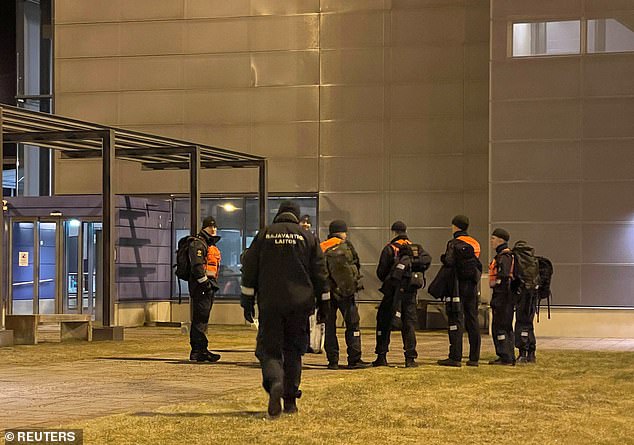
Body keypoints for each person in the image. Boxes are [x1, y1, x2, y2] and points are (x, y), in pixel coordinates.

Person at [241, 201, 329, 418]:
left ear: (279, 215)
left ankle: (275, 382)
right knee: (293, 351)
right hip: (300, 304)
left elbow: (249, 268)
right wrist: (324, 304)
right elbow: (320, 273)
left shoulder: (264, 235)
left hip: (270, 304)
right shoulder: (308, 237)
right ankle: (290, 401)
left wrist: (247, 301)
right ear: (297, 217)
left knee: (269, 350)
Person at [374, 221, 427, 368]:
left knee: (384, 322)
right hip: (410, 292)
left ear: (393, 232)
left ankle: (381, 356)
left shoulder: (390, 248)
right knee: (409, 323)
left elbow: (381, 272)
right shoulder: (416, 249)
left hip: (393, 291)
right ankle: (410, 358)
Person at [320, 219, 369, 370]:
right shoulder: (346, 245)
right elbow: (356, 264)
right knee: (352, 324)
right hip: (346, 293)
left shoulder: (321, 247)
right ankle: (354, 359)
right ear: (342, 232)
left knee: (329, 327)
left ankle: (332, 361)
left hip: (327, 293)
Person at [437, 215, 482, 367]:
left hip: (457, 286)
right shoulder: (475, 243)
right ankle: (474, 358)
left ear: (455, 226)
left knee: (456, 319)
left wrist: (443, 258)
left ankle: (455, 357)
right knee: (472, 320)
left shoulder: (453, 243)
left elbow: (449, 262)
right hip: (472, 286)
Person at [188, 216, 222, 362]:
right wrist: (205, 284)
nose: (213, 229)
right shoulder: (199, 243)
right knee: (200, 319)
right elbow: (197, 266)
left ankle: (200, 349)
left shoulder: (207, 243)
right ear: (204, 228)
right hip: (202, 287)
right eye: (210, 227)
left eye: (215, 227)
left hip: (207, 286)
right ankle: (198, 350)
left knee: (202, 318)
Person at [488, 228, 515, 366]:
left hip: (502, 297)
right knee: (506, 326)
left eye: (493, 238)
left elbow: (503, 277)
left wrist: (498, 297)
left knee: (500, 326)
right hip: (507, 298)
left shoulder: (503, 257)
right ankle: (509, 355)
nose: (491, 241)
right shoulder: (508, 256)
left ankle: (505, 356)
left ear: (500, 240)